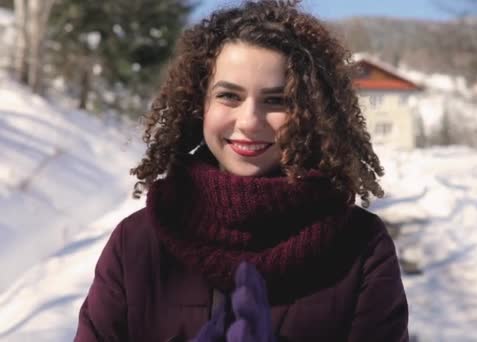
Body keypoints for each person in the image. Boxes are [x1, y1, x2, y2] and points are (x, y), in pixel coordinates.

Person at [75, 0, 408, 341]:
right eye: (229, 96)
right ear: (199, 104)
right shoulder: (137, 245)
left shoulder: (360, 246)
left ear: (311, 113)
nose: (249, 122)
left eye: (277, 100)